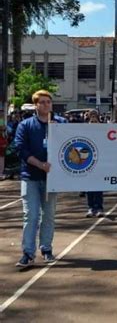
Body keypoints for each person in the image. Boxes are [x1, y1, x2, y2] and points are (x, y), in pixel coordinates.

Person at [14, 90, 66, 268]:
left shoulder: (60, 123)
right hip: (30, 177)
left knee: (49, 216)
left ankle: (46, 249)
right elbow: (21, 149)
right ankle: (28, 253)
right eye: (42, 102)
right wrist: (39, 164)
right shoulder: (25, 125)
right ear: (35, 105)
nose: (46, 105)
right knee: (31, 215)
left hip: (52, 179)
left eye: (48, 102)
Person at [85, 110, 105, 218]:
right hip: (88, 161)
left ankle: (99, 207)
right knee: (89, 186)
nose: (93, 118)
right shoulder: (84, 129)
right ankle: (91, 207)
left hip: (99, 161)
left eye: (95, 116)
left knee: (98, 186)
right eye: (91, 116)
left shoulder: (102, 129)